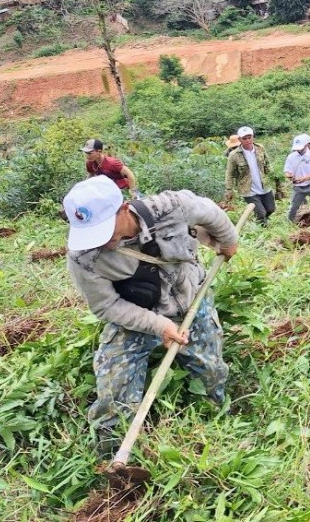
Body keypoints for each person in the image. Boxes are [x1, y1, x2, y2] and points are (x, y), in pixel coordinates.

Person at [63, 176, 238, 448]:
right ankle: (112, 450)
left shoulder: (173, 207)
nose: (101, 241)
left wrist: (227, 241)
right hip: (137, 315)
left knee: (209, 372)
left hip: (191, 300)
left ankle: (214, 423)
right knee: (113, 388)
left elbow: (212, 214)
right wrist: (159, 325)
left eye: (105, 229)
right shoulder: (83, 256)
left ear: (123, 209)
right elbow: (106, 306)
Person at [225, 126, 280, 226]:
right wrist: (229, 189)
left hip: (264, 185)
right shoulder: (234, 155)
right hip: (248, 189)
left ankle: (263, 220)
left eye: (249, 137)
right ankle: (263, 229)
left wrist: (275, 178)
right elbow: (229, 173)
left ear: (253, 137)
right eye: (244, 138)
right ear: (240, 140)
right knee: (261, 212)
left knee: (271, 209)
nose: (248, 140)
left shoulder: (260, 148)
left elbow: (267, 164)